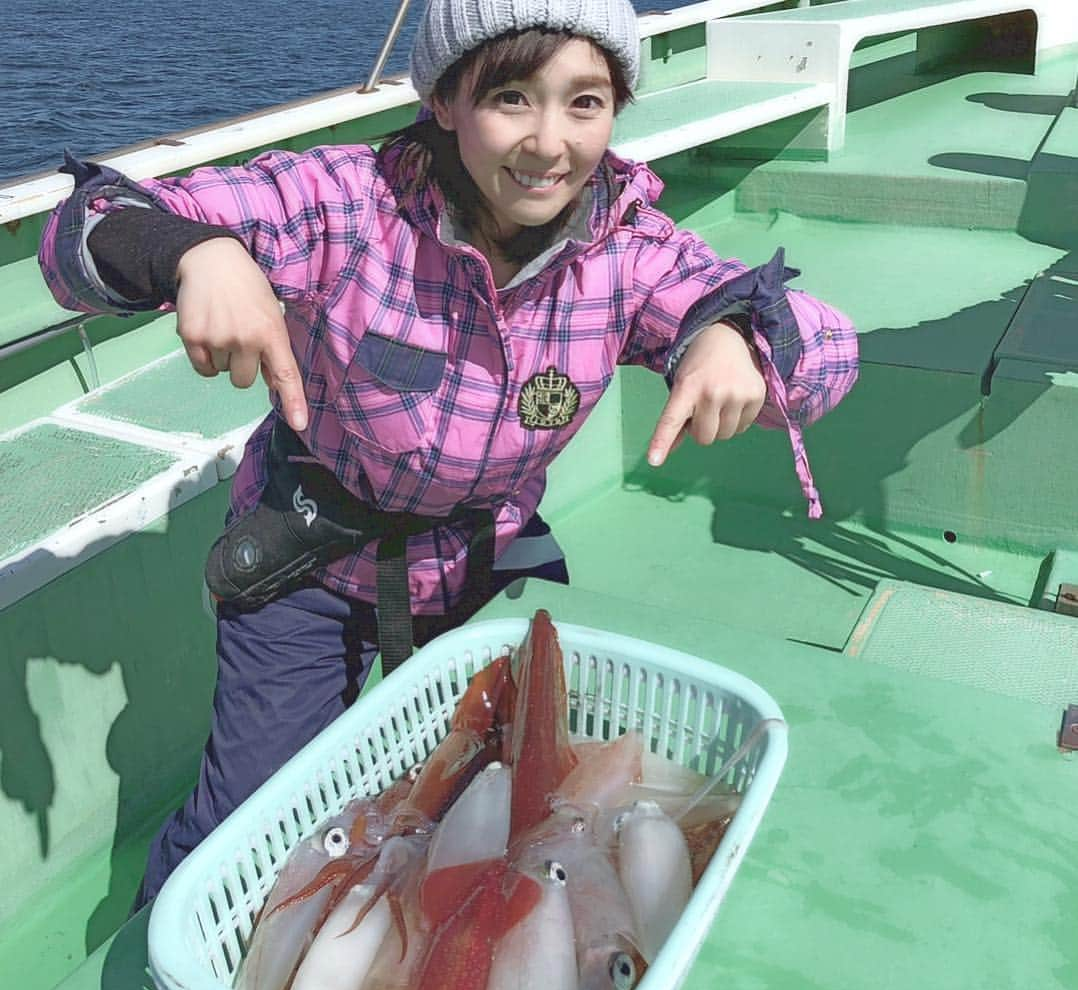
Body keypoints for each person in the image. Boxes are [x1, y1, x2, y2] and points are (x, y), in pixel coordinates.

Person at [38, 0, 858, 908]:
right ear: (445, 102)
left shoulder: (628, 249)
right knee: (247, 824)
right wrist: (197, 252)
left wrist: (741, 335)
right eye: (512, 97)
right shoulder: (347, 204)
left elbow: (830, 350)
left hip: (486, 560)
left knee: (522, 805)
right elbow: (88, 223)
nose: (550, 143)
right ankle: (183, 977)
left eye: (585, 103)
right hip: (309, 566)